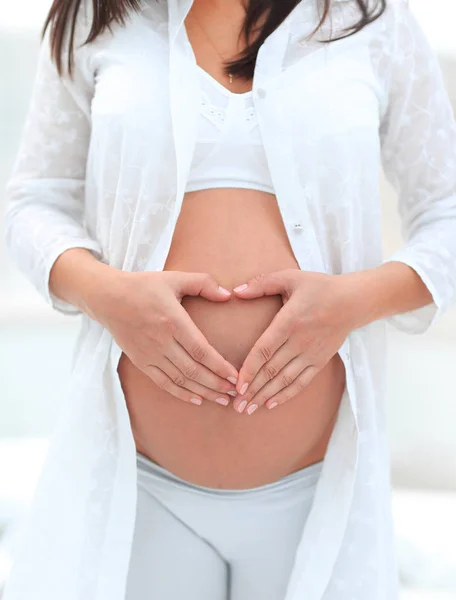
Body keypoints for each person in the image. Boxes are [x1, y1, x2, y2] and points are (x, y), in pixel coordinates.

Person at [3, 0, 456, 598]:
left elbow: (446, 212)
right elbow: (33, 202)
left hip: (317, 494)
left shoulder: (370, 21)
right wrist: (107, 294)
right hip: (139, 489)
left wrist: (353, 302)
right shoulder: (97, 18)